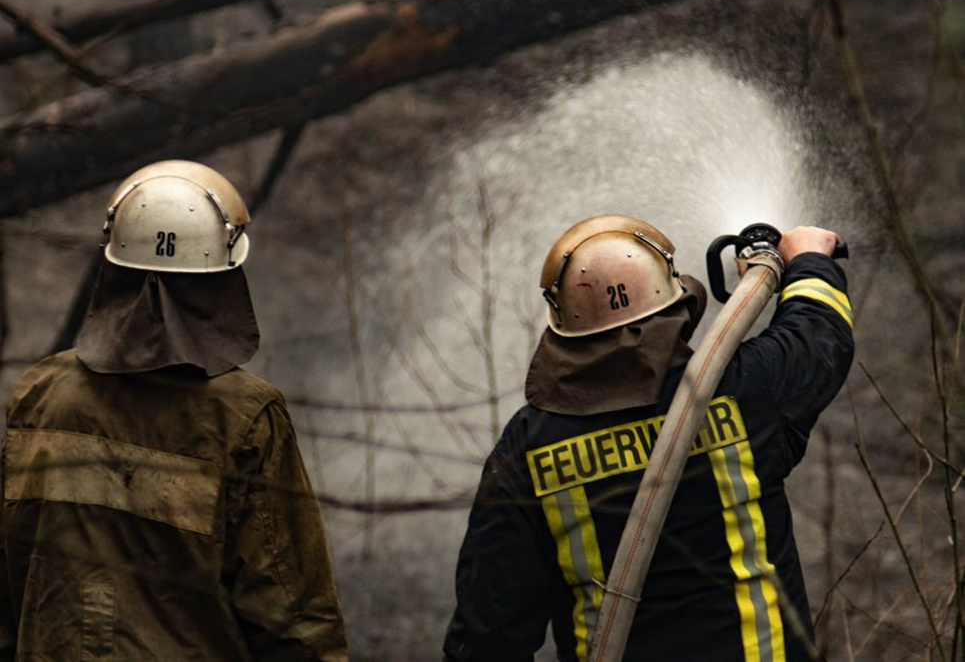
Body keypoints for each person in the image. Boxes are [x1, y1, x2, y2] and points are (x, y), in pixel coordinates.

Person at [443, 215, 854, 662]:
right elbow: (819, 335)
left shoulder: (528, 449)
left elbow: (489, 635)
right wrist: (810, 260)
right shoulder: (746, 391)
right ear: (674, 304)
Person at [0, 161, 348, 661]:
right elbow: (293, 618)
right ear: (221, 279)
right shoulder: (246, 419)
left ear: (114, 266)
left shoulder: (42, 395)